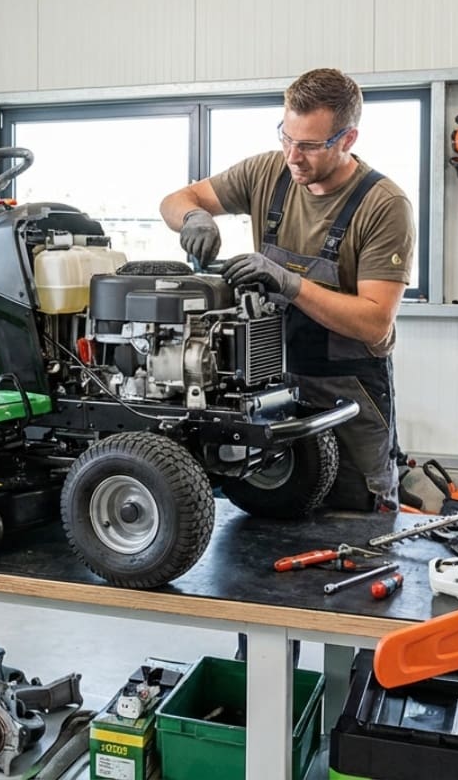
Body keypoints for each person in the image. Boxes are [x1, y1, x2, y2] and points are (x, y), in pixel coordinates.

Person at [159, 68, 415, 511]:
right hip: (268, 384)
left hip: (347, 392)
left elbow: (375, 322)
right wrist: (194, 218)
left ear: (348, 139)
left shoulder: (383, 205)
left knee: (356, 518)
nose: (293, 156)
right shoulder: (267, 172)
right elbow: (177, 199)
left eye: (310, 145)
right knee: (265, 521)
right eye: (286, 137)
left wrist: (290, 283)